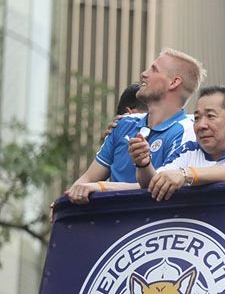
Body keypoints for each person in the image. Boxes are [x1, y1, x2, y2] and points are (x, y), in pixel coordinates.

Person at [65, 48, 206, 204]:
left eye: (154, 70)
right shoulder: (123, 124)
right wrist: (67, 201)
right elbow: (88, 178)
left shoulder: (187, 132)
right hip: (109, 224)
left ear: (173, 82)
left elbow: (157, 185)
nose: (144, 74)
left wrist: (101, 187)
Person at [130, 86, 225, 201]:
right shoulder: (188, 150)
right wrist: (143, 164)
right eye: (197, 118)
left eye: (210, 116)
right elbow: (155, 183)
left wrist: (186, 174)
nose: (201, 125)